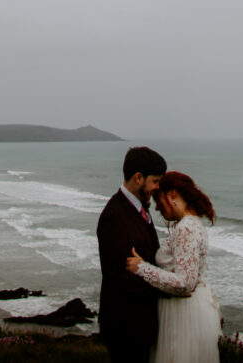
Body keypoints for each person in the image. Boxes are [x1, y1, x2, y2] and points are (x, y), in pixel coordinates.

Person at [127, 171, 220, 363]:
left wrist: (142, 268)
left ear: (173, 194)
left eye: (158, 199)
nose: (157, 207)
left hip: (184, 315)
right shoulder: (191, 224)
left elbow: (185, 282)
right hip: (185, 310)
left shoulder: (186, 228)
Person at [97, 146, 168, 362]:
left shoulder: (139, 206)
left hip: (140, 324)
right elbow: (116, 276)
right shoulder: (114, 216)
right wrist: (166, 285)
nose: (157, 189)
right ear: (139, 177)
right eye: (155, 182)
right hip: (125, 326)